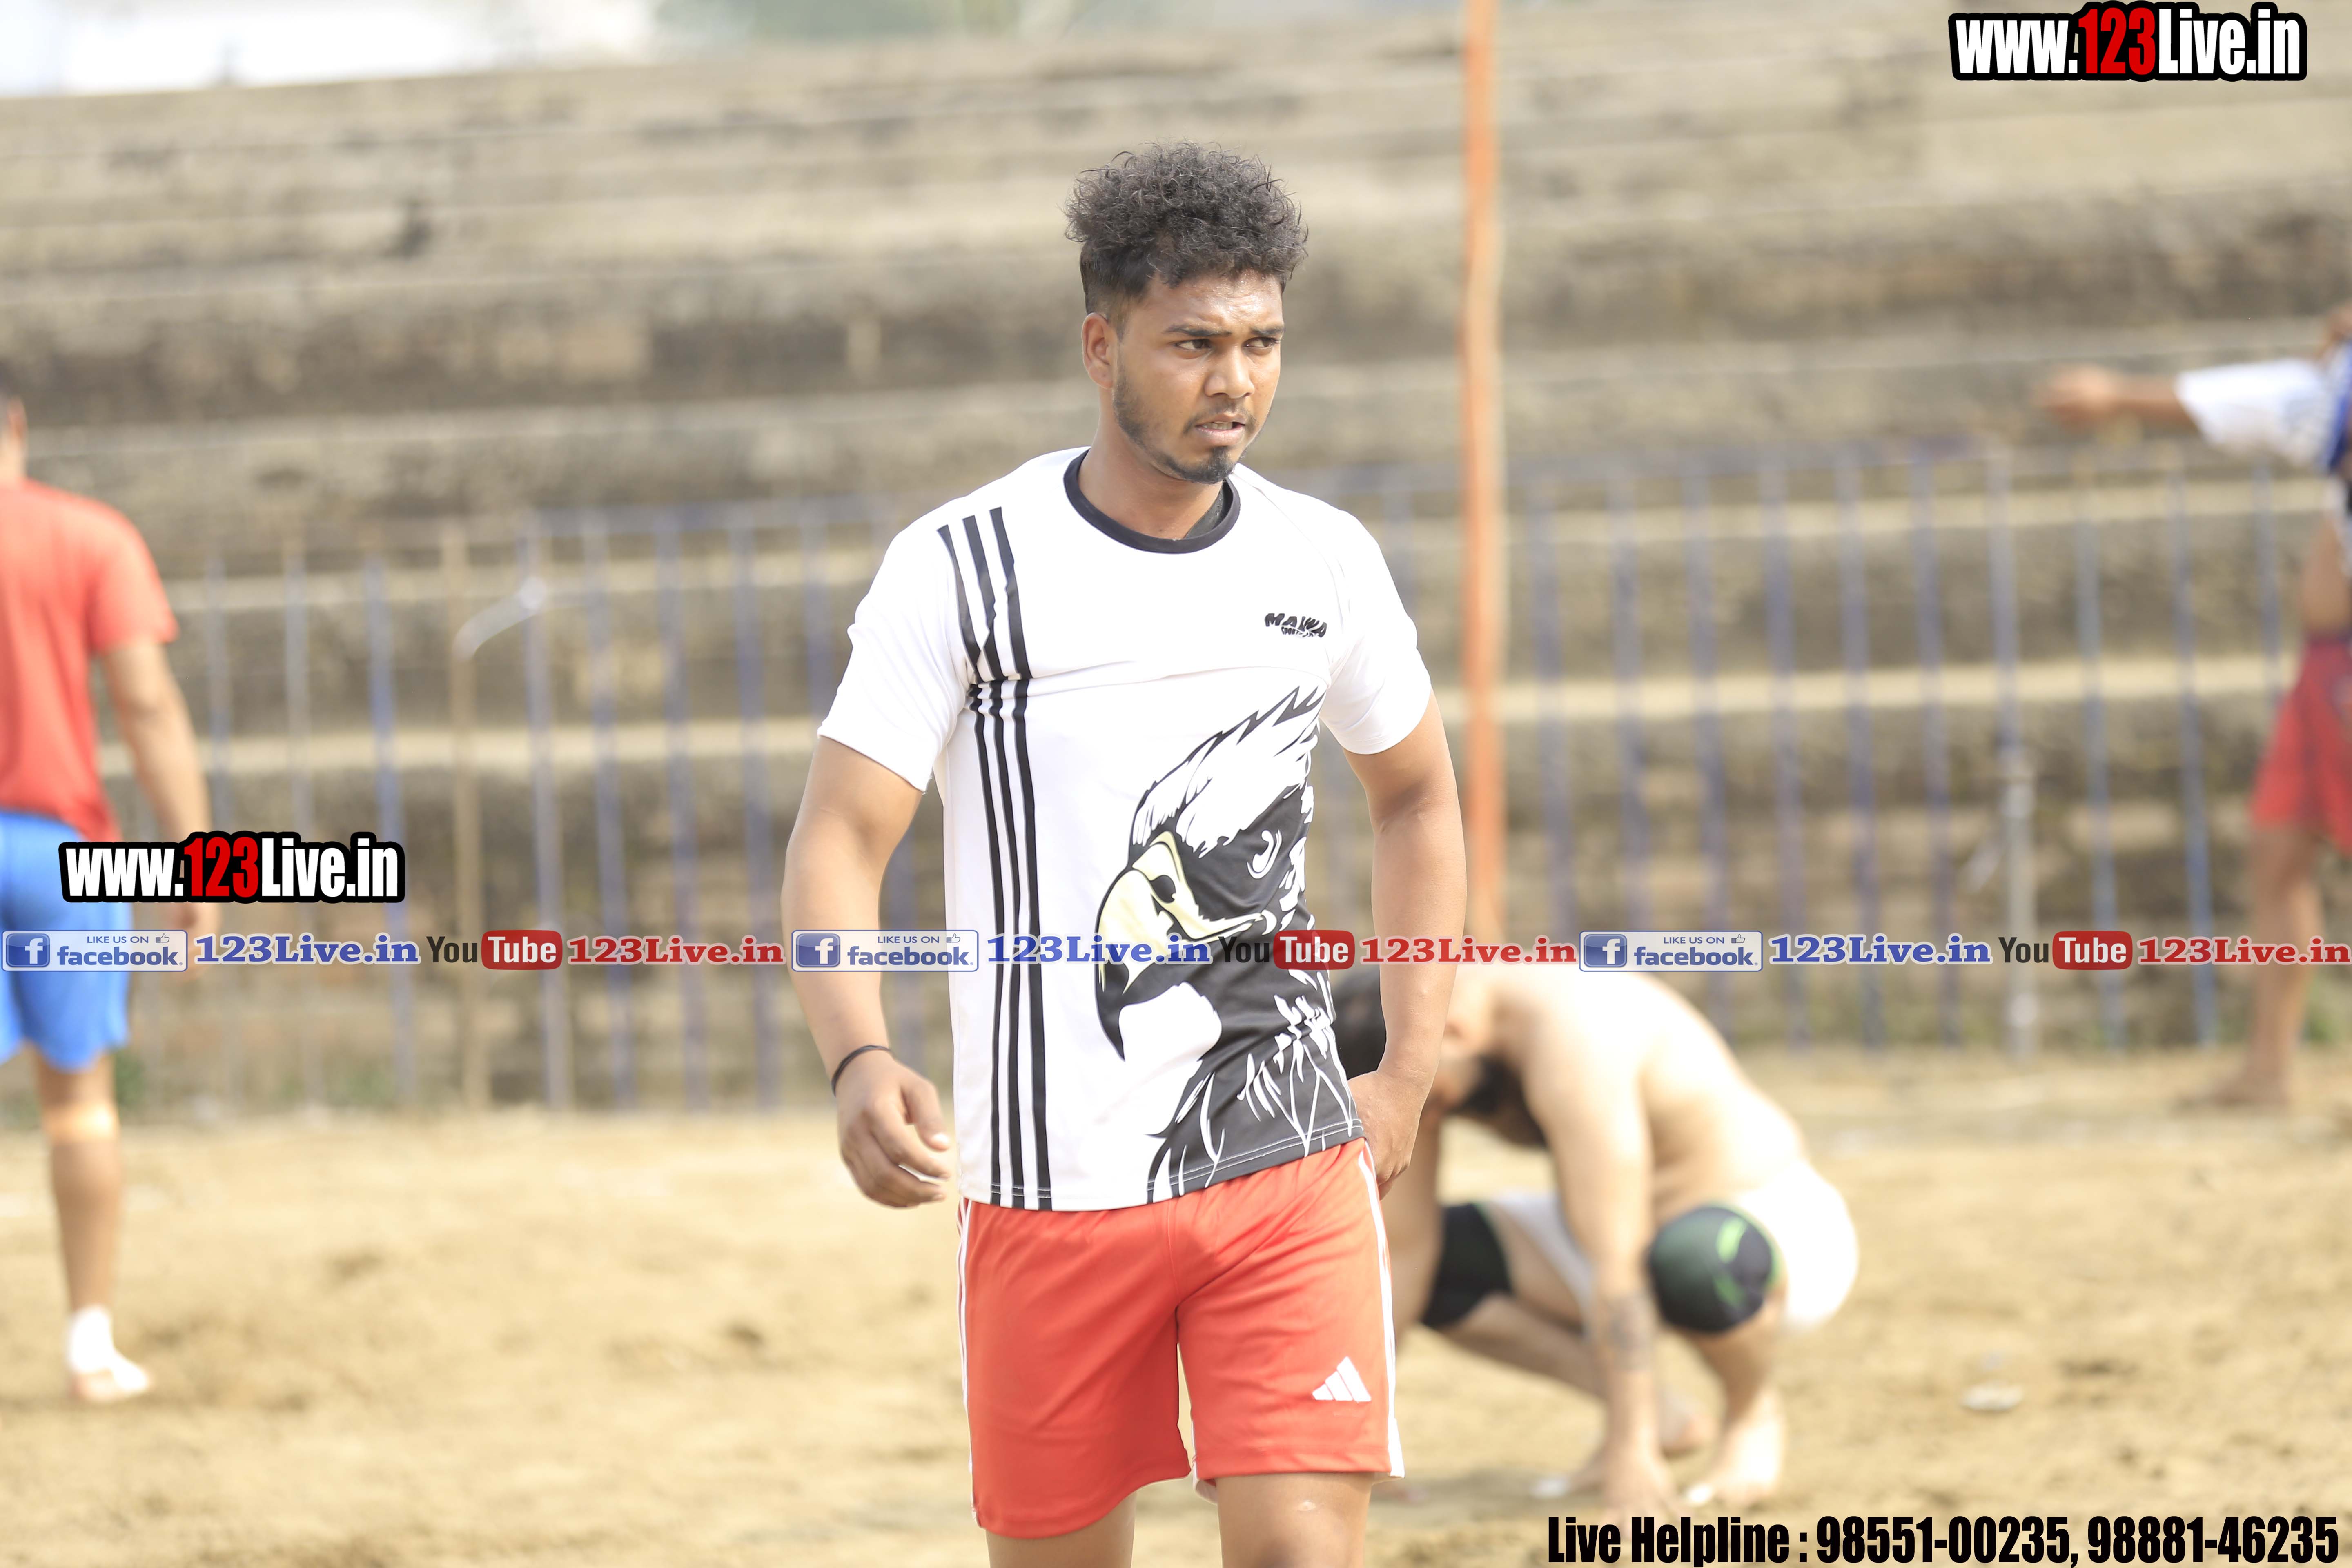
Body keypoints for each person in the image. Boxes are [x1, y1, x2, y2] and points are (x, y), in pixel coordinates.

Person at [782, 145, 1465, 1568]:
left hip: (1284, 1158)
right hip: (1050, 1192)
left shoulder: (1324, 560)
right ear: (1103, 348)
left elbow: (1416, 798)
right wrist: (856, 1055)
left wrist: (1406, 1068)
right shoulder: (963, 565)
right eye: (1194, 344)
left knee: (1301, 1553)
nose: (1236, 382)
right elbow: (843, 834)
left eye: (1263, 344)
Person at [1332, 964, 1858, 1517]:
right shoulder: (1424, 1057)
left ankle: (1752, 1412)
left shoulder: (1575, 1033)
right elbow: (1407, 1252)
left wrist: (1632, 1450)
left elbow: (1618, 1259)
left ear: (1453, 1030)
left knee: (1691, 1261)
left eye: (1433, 1099)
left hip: (1765, 1226)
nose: (1432, 1116)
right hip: (1616, 1236)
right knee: (1443, 1264)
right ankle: (1665, 1416)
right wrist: (1361, 1443)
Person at [2038, 307, 2352, 1108]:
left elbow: (2261, 402)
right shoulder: (2336, 393)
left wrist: (2118, 398)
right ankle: (2269, 1071)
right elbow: (2268, 400)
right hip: (2323, 671)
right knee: (2278, 851)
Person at [0, 362, 216, 1403]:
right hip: (60, 856)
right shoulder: (92, 538)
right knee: (80, 1100)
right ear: (17, 420)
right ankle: (90, 1347)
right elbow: (149, 708)